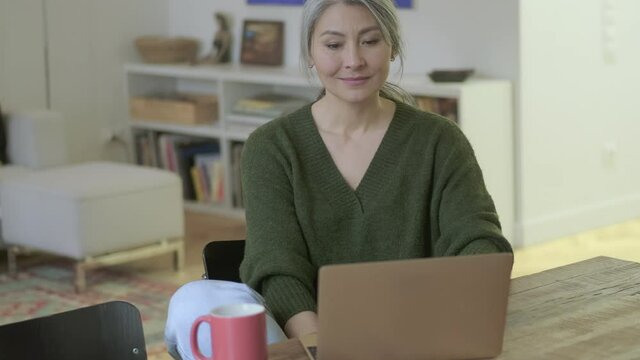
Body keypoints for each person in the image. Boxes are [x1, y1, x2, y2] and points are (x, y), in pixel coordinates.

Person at [164, 0, 512, 358]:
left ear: (392, 46)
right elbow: (277, 267)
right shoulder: (271, 147)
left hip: (420, 335)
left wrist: (455, 314)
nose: (353, 60)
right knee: (192, 301)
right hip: (312, 340)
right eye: (333, 45)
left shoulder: (440, 140)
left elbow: (478, 241)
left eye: (370, 41)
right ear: (311, 53)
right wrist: (325, 347)